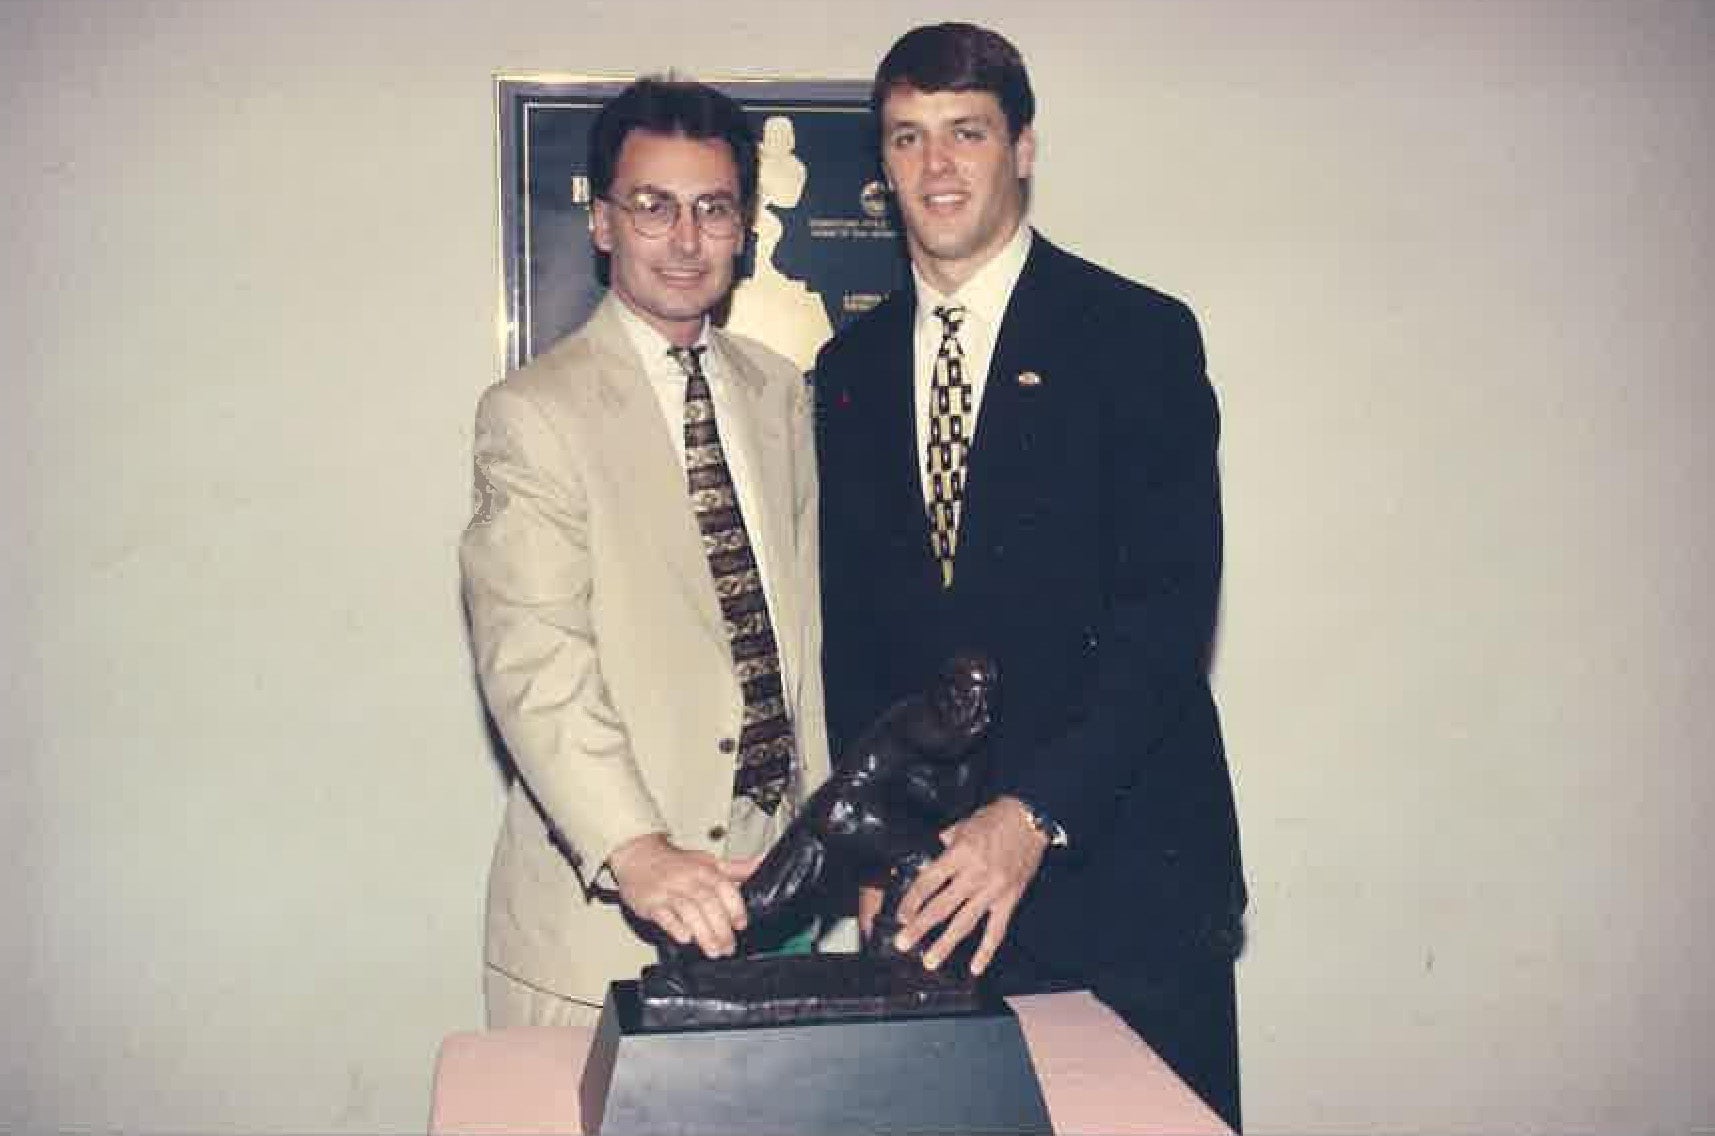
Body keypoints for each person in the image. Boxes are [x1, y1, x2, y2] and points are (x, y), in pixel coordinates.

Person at [813, 23, 1248, 1129]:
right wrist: (874, 848)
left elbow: (1165, 618)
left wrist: (1029, 815)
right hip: (936, 907)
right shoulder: (849, 371)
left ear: (1024, 146)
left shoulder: (1136, 335)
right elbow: (854, 637)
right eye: (906, 138)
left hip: (1121, 886)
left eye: (966, 131)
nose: (936, 165)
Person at [462, 77, 829, 1028]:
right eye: (652, 206)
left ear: (744, 228)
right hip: (608, 929)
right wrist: (638, 848)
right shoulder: (534, 415)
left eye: (712, 209)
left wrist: (834, 843)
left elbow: (805, 642)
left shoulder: (778, 394)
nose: (684, 238)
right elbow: (533, 656)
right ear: (600, 222)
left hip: (776, 901)